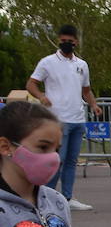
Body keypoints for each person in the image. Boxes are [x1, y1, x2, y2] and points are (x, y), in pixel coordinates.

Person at [25, 25, 101, 210]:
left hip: (77, 118)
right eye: (63, 40)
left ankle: (67, 197)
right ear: (59, 40)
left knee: (71, 160)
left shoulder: (81, 65)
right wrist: (41, 96)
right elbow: (31, 83)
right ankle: (46, 198)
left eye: (70, 40)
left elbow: (86, 90)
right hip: (58, 119)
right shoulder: (48, 62)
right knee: (57, 160)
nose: (67, 43)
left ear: (76, 41)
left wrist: (93, 104)